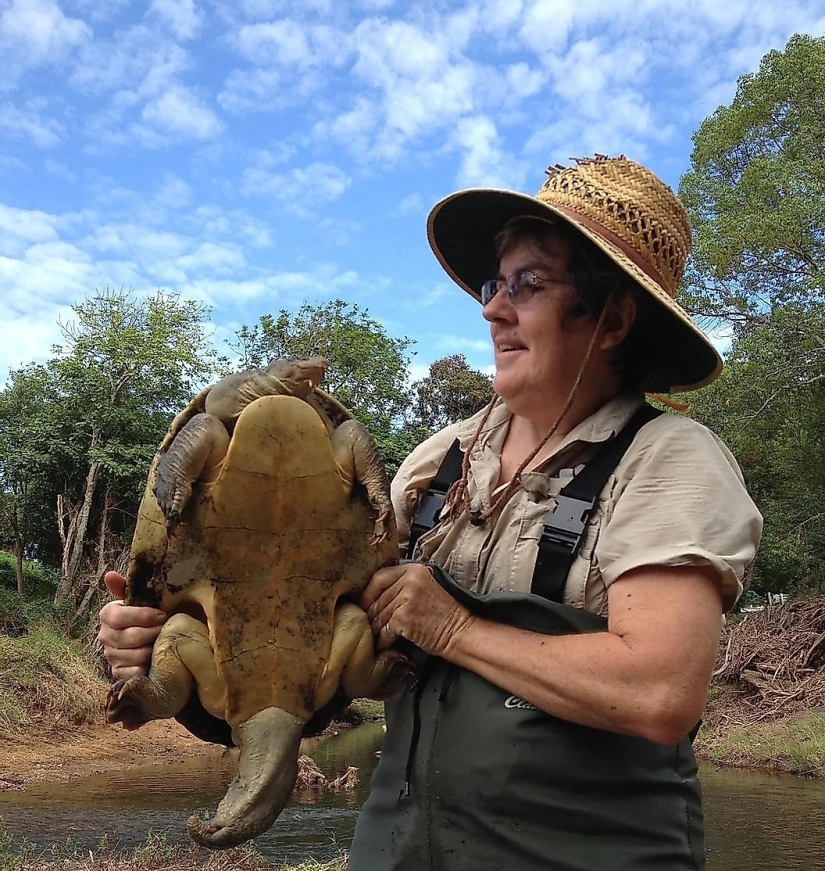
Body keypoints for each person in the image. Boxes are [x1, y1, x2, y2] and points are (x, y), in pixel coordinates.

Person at [98, 155, 763, 870]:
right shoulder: (435, 462)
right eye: (492, 283)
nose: (491, 308)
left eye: (527, 284)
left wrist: (450, 625)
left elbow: (659, 691)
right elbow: (303, 654)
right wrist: (168, 654)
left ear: (612, 319)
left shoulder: (666, 460)